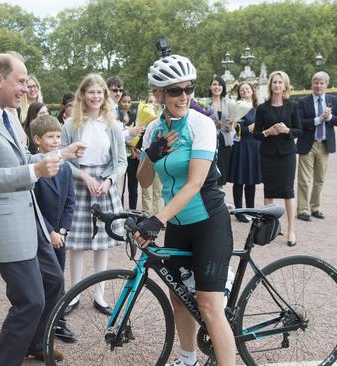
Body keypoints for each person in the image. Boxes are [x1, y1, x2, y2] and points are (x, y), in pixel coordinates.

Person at [0, 53, 85, 365]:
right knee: (29, 301)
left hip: (30, 218)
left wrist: (60, 154)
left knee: (53, 282)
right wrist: (36, 172)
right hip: (4, 223)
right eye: (21, 80)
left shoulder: (6, 114)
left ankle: (36, 342)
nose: (26, 87)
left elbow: (20, 160)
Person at [134, 52, 235, 366]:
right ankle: (188, 358)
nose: (184, 96)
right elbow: (144, 180)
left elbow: (194, 184)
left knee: (208, 304)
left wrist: (157, 220)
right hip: (178, 224)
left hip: (207, 222)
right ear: (159, 94)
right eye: (176, 91)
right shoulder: (153, 129)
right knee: (177, 296)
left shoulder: (200, 124)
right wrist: (152, 153)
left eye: (189, 89)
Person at [61, 73, 127, 317]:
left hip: (105, 185)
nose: (96, 96)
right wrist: (85, 177)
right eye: (91, 92)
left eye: (100, 92)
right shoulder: (71, 125)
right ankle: (74, 293)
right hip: (79, 182)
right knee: (76, 243)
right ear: (83, 95)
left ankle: (99, 294)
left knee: (102, 244)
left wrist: (109, 180)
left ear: (105, 96)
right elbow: (64, 159)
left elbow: (121, 162)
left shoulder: (113, 125)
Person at [30, 114, 77, 343]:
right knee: (42, 282)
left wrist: (63, 231)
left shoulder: (66, 168)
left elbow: (70, 202)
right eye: (50, 137)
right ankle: (38, 324)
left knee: (58, 279)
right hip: (40, 235)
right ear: (37, 139)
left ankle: (58, 322)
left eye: (58, 136)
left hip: (60, 235)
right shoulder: (34, 168)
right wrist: (50, 232)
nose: (56, 141)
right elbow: (33, 205)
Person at [253, 71, 302, 246]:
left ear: (285, 85)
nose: (277, 85)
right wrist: (269, 132)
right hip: (268, 155)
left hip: (287, 154)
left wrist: (287, 131)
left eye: (280, 82)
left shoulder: (293, 106)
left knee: (288, 191)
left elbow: (299, 130)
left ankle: (291, 229)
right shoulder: (263, 108)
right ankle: (270, 228)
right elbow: (257, 134)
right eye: (274, 82)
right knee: (269, 192)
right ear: (270, 85)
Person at [296, 71, 337, 221]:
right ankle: (303, 209)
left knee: (320, 179)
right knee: (304, 179)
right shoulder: (303, 101)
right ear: (312, 84)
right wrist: (318, 119)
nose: (318, 85)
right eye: (316, 82)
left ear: (326, 85)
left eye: (321, 83)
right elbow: (299, 123)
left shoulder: (332, 100)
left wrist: (329, 117)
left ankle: (315, 207)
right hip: (307, 144)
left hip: (324, 145)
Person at [227, 82, 262, 223]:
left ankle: (251, 209)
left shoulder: (258, 108)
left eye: (247, 88)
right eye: (242, 89)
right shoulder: (236, 107)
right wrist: (249, 128)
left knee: (251, 180)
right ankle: (239, 211)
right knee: (239, 179)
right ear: (239, 93)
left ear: (252, 91)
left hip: (255, 146)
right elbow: (235, 127)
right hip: (241, 145)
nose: (245, 91)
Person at [206, 76, 235, 204]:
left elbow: (232, 122)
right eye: (214, 84)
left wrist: (230, 125)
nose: (217, 87)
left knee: (223, 171)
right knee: (211, 169)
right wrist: (213, 125)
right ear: (210, 87)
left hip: (225, 140)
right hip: (210, 141)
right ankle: (211, 197)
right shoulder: (205, 103)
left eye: (219, 85)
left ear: (223, 88)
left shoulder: (229, 103)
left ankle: (220, 198)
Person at [140, 93, 164, 215]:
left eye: (155, 101)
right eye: (150, 101)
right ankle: (146, 214)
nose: (153, 104)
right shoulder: (143, 120)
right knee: (146, 189)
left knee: (158, 190)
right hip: (146, 155)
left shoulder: (164, 121)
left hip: (160, 158)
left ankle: (158, 216)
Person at [118, 91, 140, 209]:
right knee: (119, 188)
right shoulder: (115, 116)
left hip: (132, 156)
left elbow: (139, 133)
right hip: (120, 156)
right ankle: (120, 213)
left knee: (133, 187)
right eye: (124, 101)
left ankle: (133, 212)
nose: (126, 104)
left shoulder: (134, 116)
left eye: (128, 102)